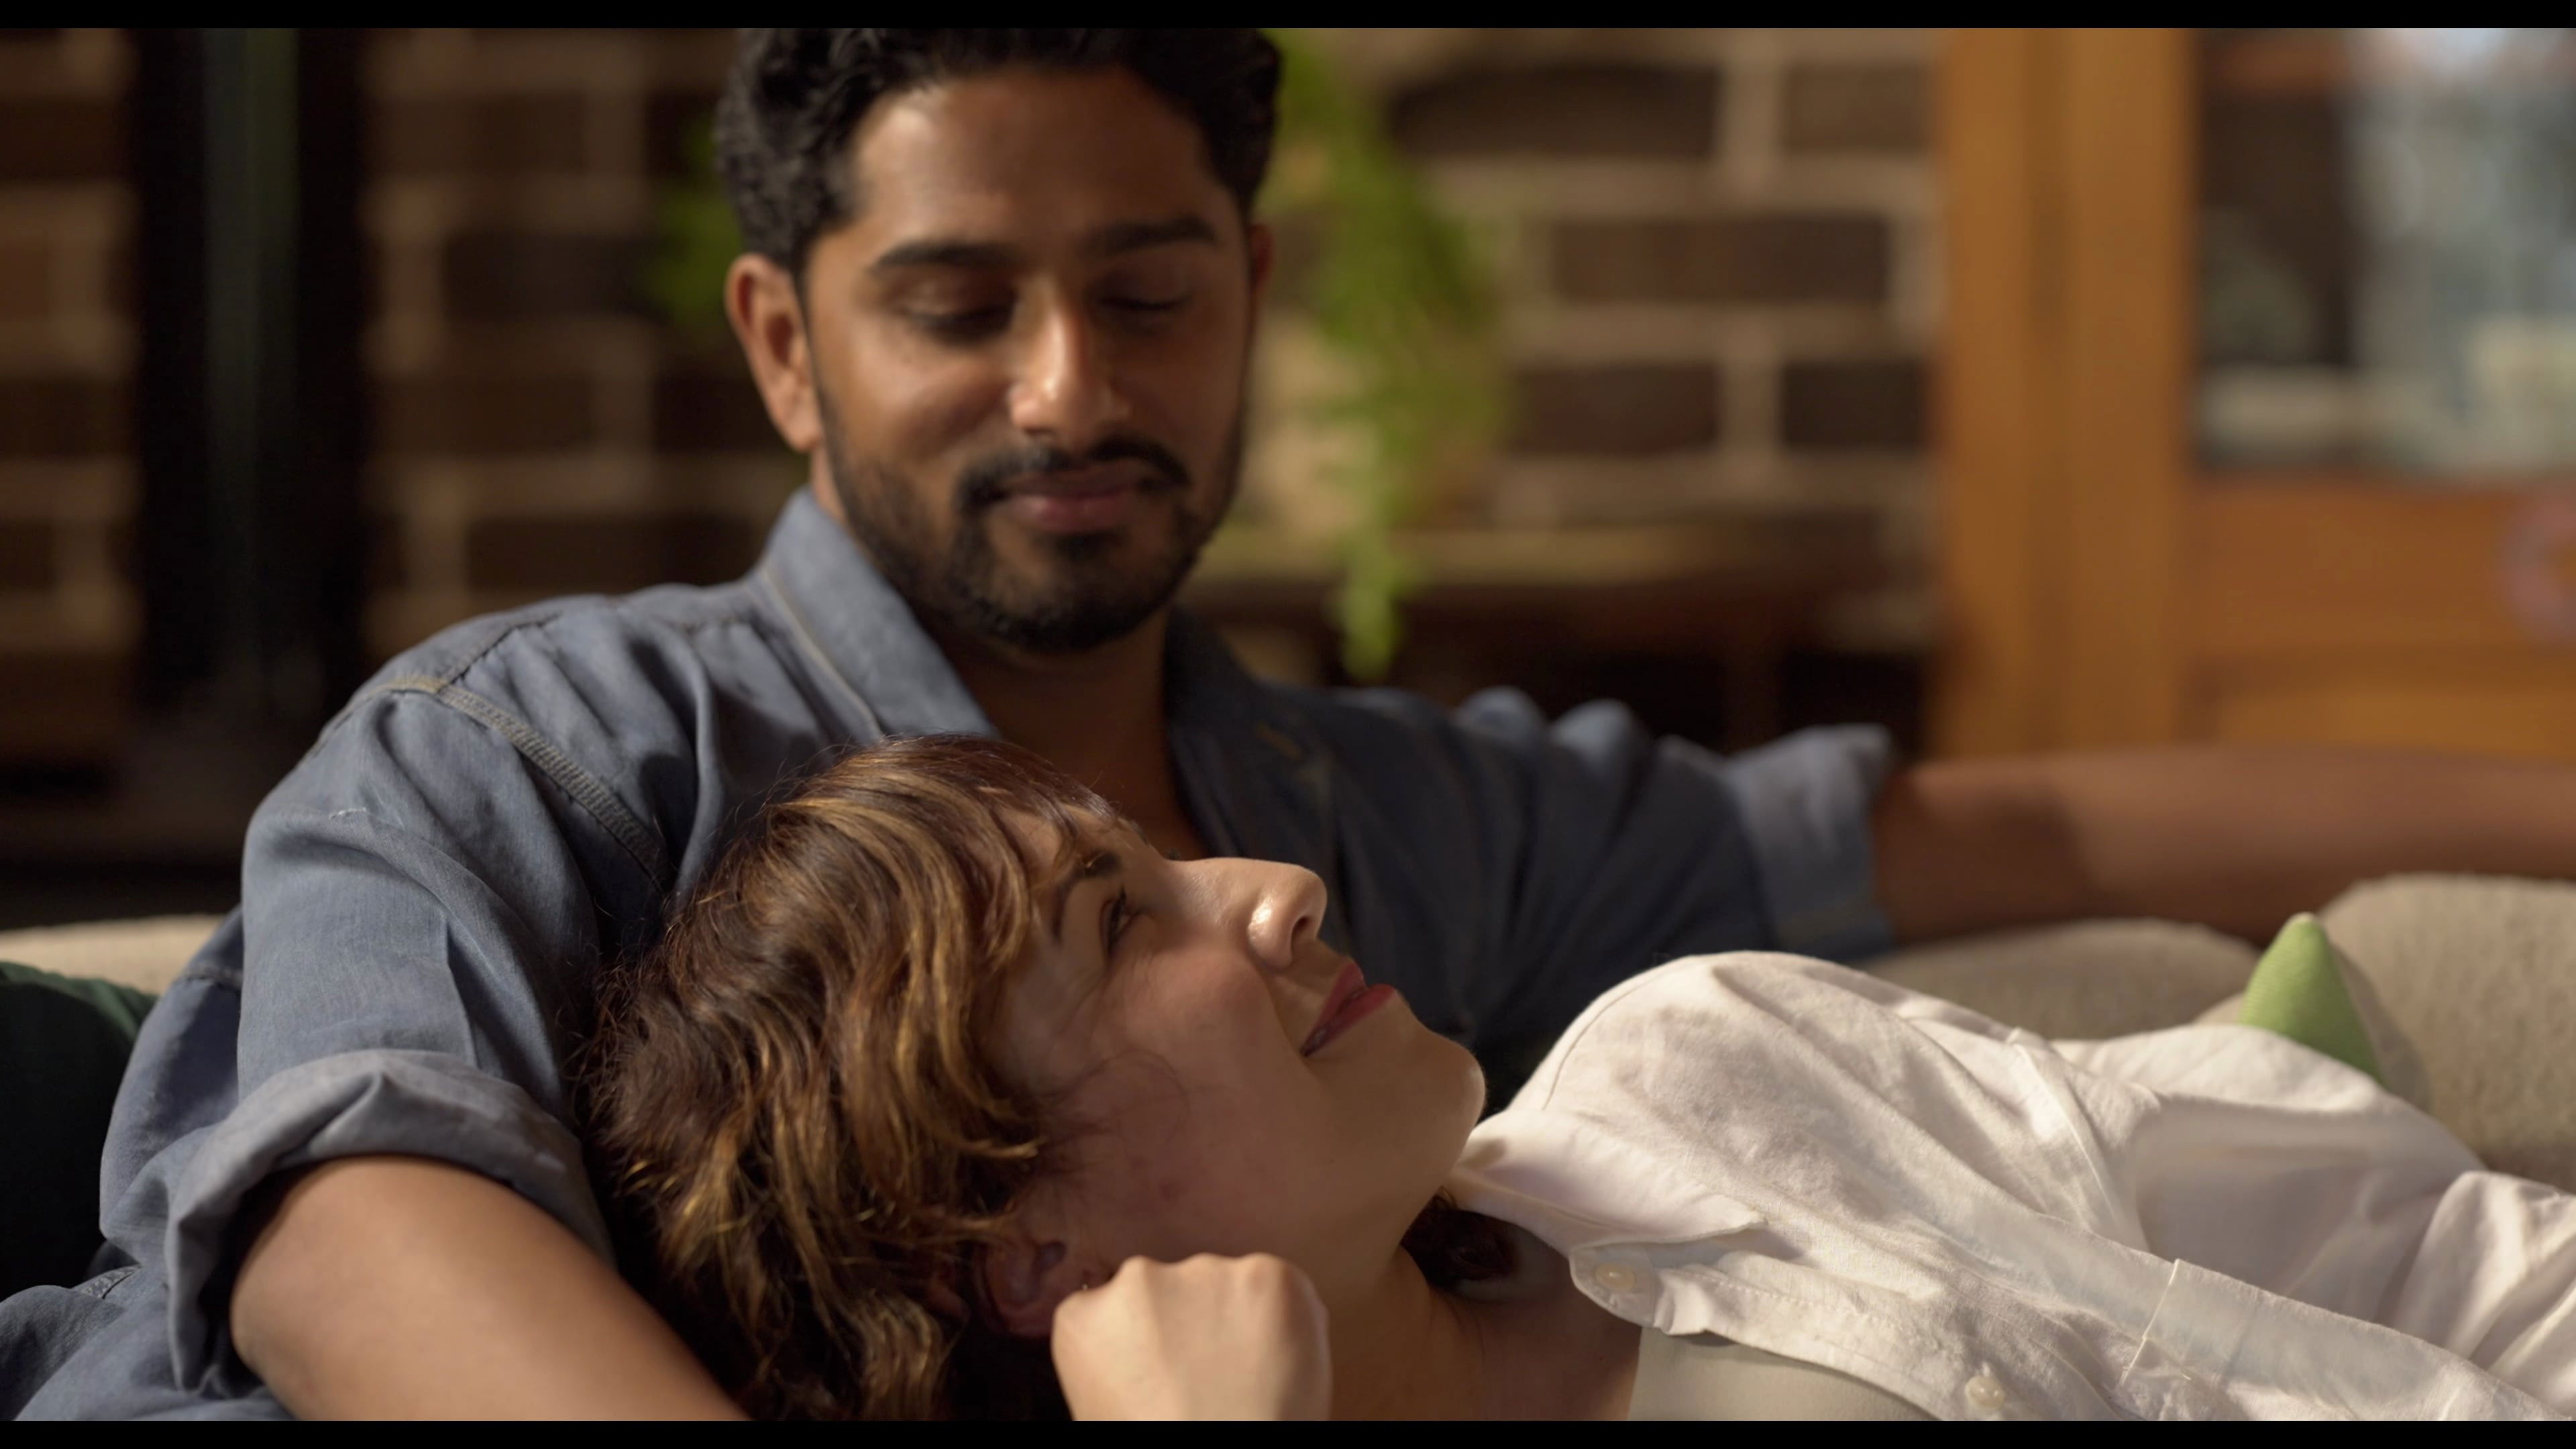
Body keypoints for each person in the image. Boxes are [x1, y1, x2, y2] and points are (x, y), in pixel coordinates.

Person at [11, 28, 2576, 1419]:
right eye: (956, 306)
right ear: (785, 345)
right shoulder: (553, 741)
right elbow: (357, 1229)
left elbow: (2014, 828)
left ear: (1249, 288)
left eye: (1147, 295)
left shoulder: (1372, 838)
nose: (1067, 387)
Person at [585, 735, 2575, 1419]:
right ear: (1021, 1254)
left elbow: (2429, 1265)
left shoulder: (1712, 1064)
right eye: (1123, 927)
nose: (1276, 889)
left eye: (1166, 858)